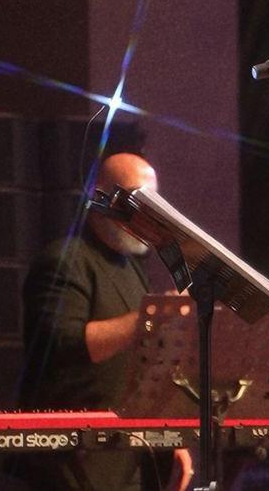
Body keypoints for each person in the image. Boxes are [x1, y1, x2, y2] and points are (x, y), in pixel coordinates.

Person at [14, 153, 192, 491]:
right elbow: (65, 346)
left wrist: (170, 437)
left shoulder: (131, 268)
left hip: (127, 458)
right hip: (72, 463)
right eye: (137, 201)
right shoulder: (65, 260)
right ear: (99, 197)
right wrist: (153, 315)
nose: (147, 217)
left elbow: (143, 363)